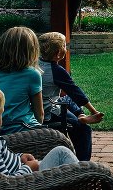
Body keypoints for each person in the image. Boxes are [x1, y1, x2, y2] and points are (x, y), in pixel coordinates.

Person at [38, 32, 103, 161]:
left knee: (67, 98)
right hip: (50, 110)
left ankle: (80, 115)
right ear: (58, 53)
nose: (66, 49)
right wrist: (93, 111)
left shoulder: (35, 63)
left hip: (46, 102)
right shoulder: (56, 71)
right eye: (65, 46)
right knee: (83, 130)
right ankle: (82, 164)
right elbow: (76, 92)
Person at [0, 26, 44, 134]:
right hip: (22, 128)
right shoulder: (32, 74)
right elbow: (39, 114)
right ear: (31, 51)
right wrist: (39, 134)